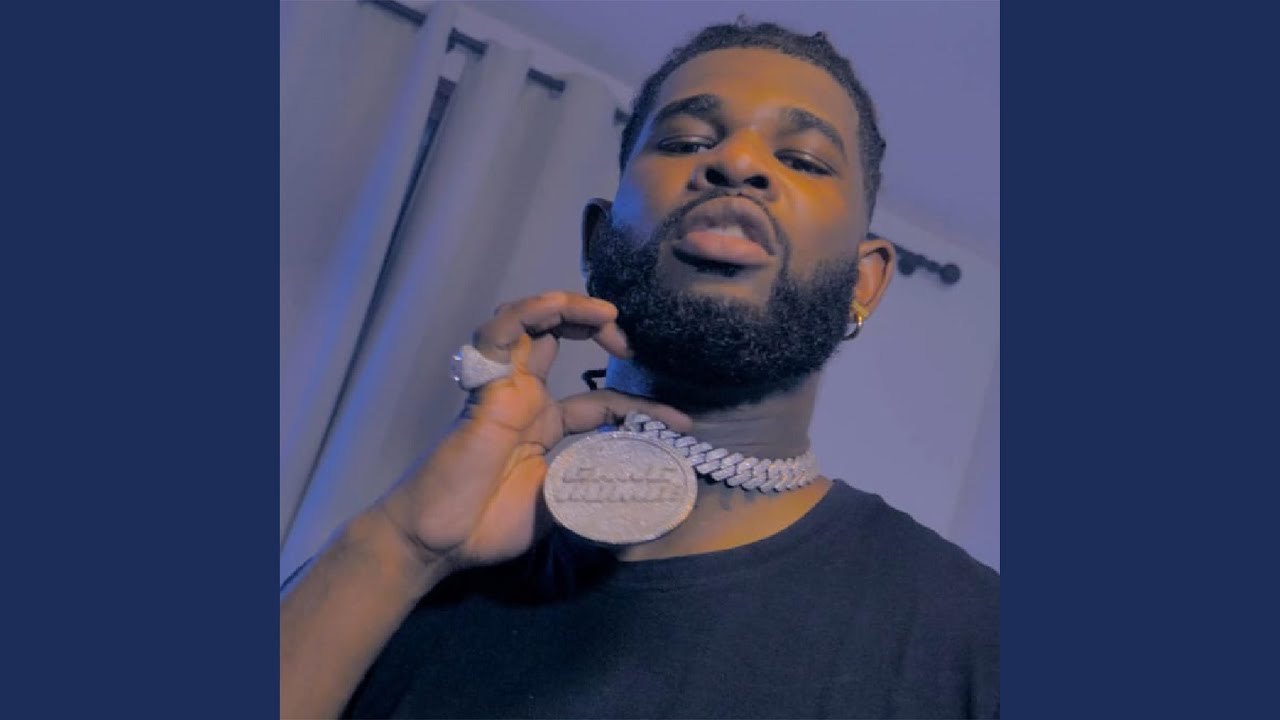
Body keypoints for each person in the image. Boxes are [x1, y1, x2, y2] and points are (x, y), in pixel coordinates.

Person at [281, 19, 999, 720]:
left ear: (862, 283)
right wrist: (402, 544)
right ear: (598, 244)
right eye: (686, 142)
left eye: (804, 160)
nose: (737, 164)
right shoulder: (390, 575)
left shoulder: (977, 637)